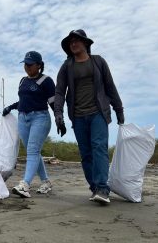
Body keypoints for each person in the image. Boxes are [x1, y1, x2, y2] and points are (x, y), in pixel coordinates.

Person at [54, 29, 125, 205]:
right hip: (78, 116)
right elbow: (60, 91)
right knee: (86, 154)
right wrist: (58, 114)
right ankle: (95, 188)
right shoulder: (67, 66)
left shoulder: (98, 62)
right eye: (71, 41)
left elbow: (110, 86)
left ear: (86, 43)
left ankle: (102, 188)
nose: (74, 43)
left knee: (99, 147)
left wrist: (119, 110)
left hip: (98, 113)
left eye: (77, 40)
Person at [2, 51, 56, 198]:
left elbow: (53, 103)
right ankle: (46, 182)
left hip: (40, 118)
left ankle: (25, 185)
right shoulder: (23, 81)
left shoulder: (46, 81)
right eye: (25, 64)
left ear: (39, 65)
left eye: (30, 64)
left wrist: (59, 119)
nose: (27, 67)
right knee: (34, 152)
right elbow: (24, 101)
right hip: (22, 118)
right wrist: (10, 107)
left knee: (32, 151)